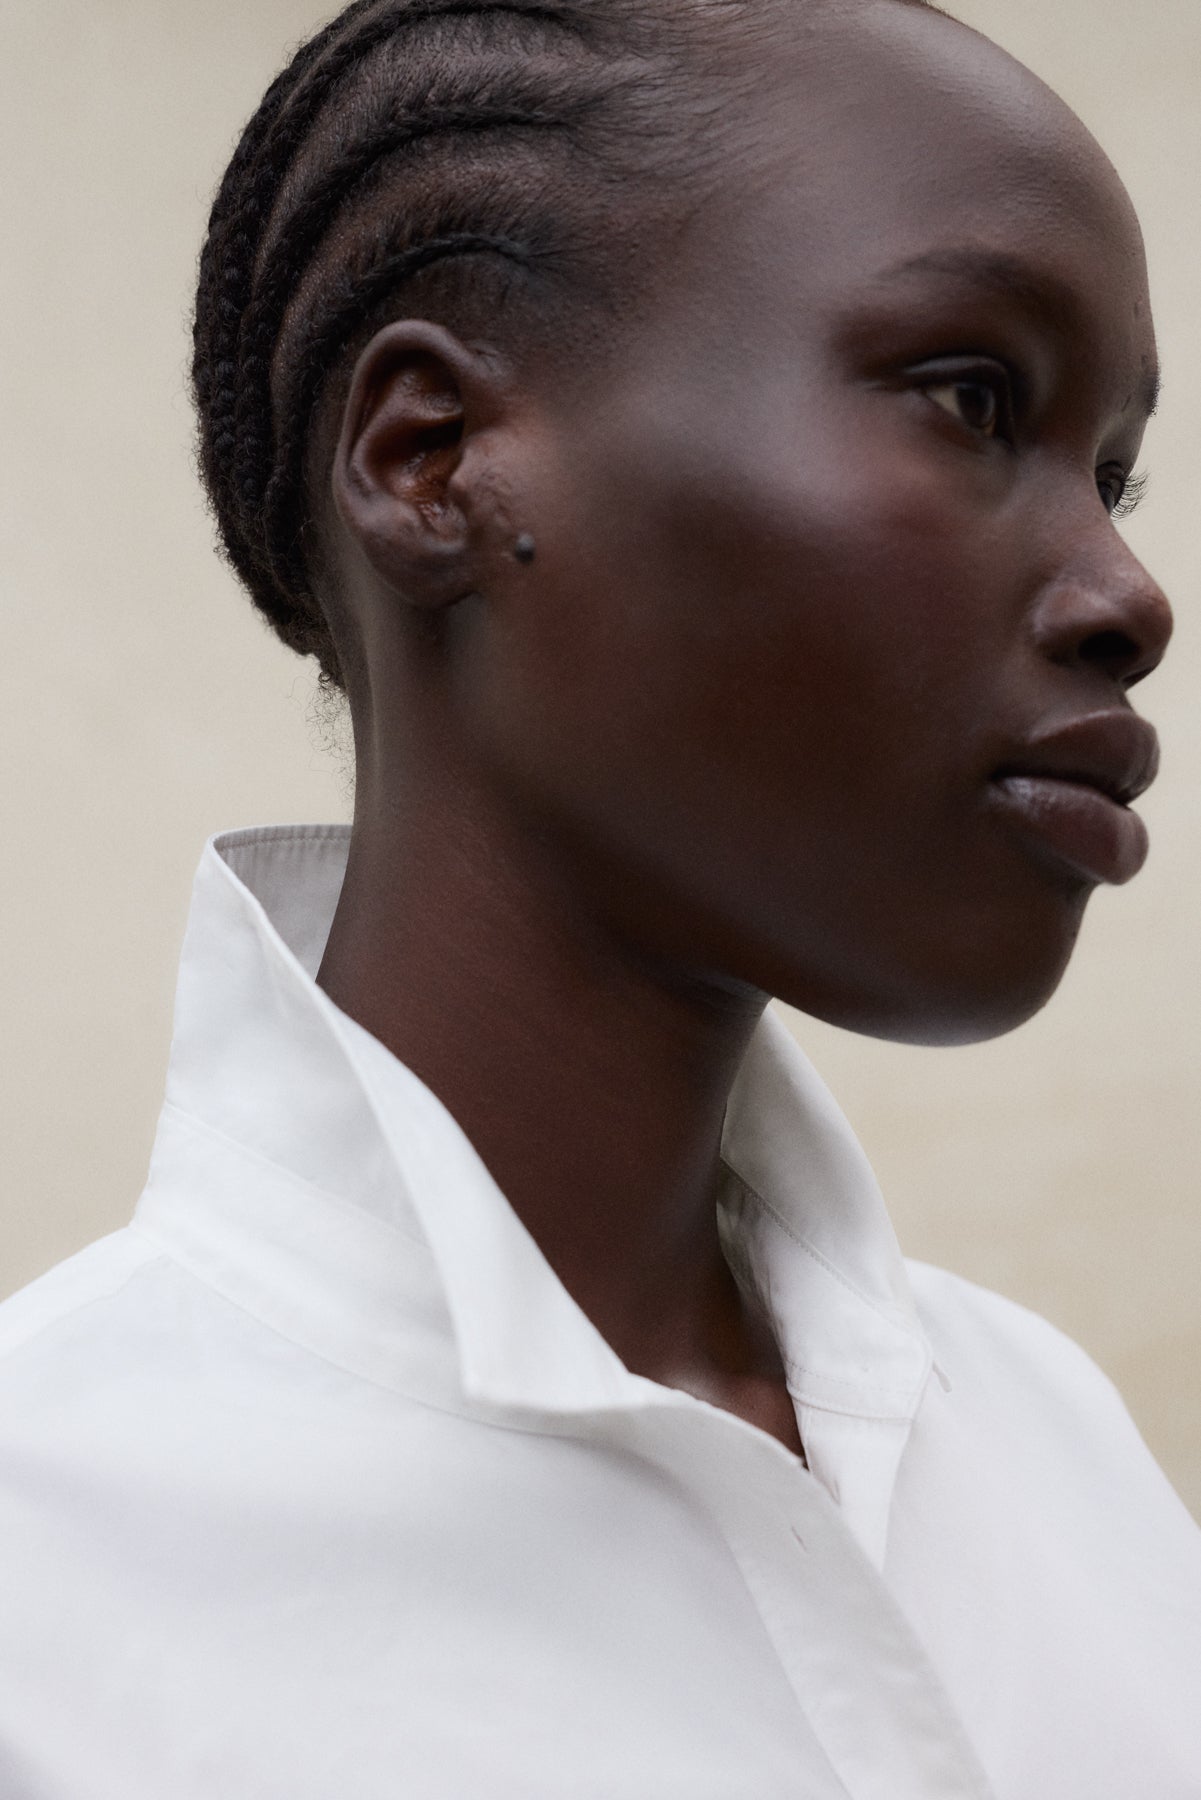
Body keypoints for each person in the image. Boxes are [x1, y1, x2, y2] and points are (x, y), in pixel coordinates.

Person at [1, 0, 1198, 1793]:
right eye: (971, 398)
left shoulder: (1056, 1455)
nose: (1128, 594)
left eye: (1107, 476)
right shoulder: (45, 1585)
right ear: (431, 459)